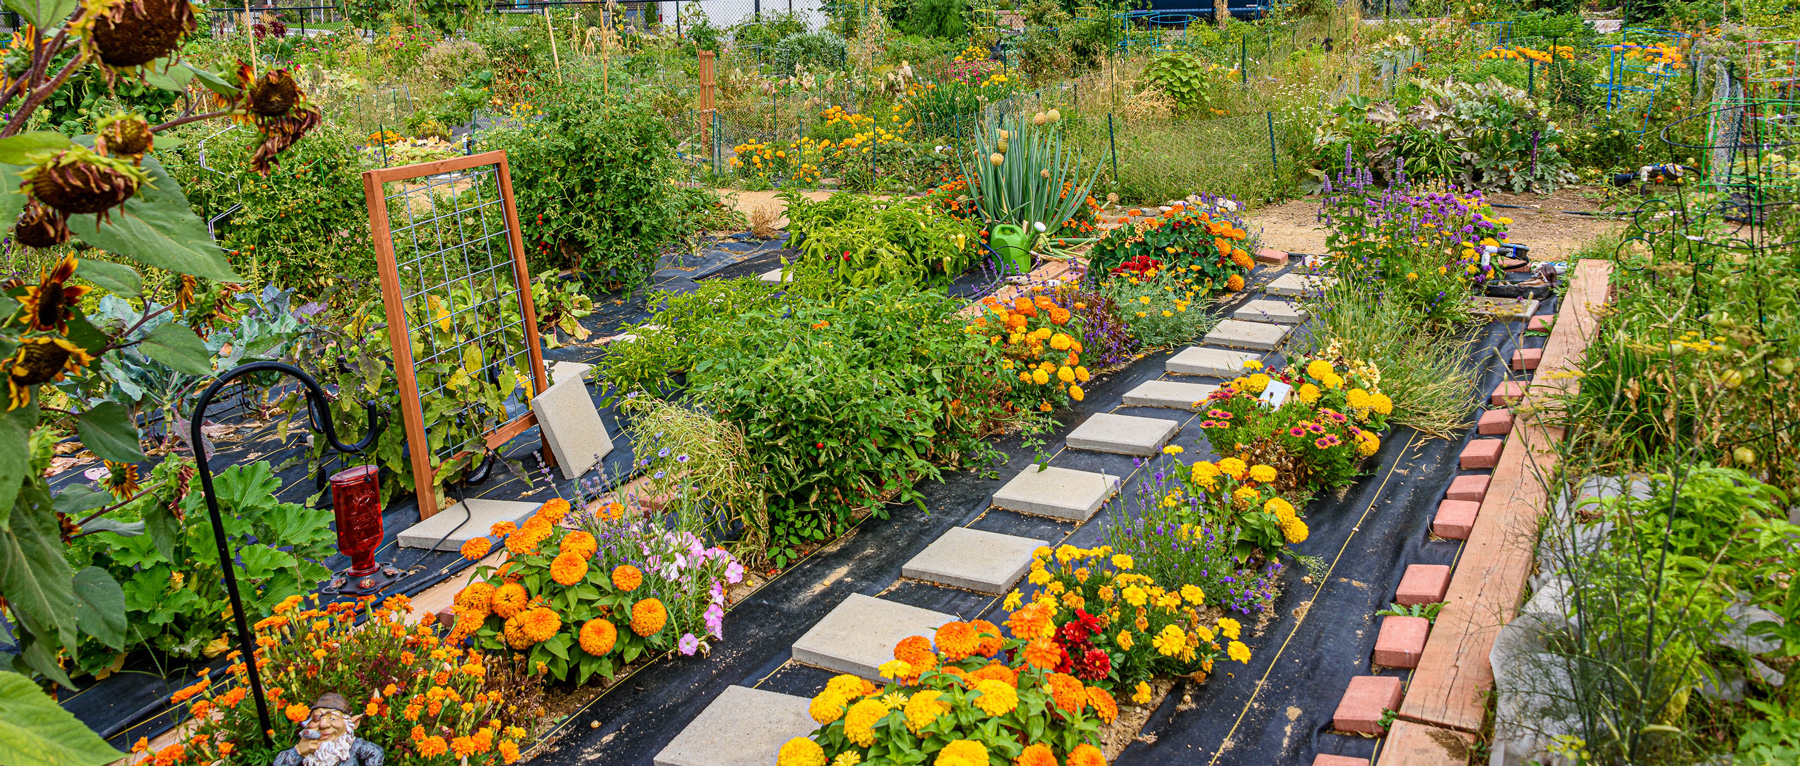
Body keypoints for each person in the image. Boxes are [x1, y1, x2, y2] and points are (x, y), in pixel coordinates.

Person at [272, 693, 384, 766]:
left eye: (333, 719)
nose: (323, 725)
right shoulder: (306, 748)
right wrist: (298, 752)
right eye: (317, 718)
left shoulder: (352, 746)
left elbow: (376, 752)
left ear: (352, 724)